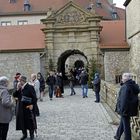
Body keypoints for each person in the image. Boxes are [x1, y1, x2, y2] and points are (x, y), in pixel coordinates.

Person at [114, 73, 139, 140]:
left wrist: (121, 110)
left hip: (125, 109)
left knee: (126, 126)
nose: (121, 79)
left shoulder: (125, 86)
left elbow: (123, 100)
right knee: (123, 122)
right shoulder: (133, 85)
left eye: (122, 78)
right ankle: (117, 135)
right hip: (130, 108)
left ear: (125, 79)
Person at [13, 76, 37, 140]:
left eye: (20, 81)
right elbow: (14, 95)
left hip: (28, 107)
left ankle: (31, 135)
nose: (19, 82)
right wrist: (17, 89)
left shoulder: (30, 87)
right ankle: (24, 134)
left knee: (30, 121)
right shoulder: (20, 88)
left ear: (23, 81)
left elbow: (34, 98)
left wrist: (32, 105)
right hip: (21, 108)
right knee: (22, 121)